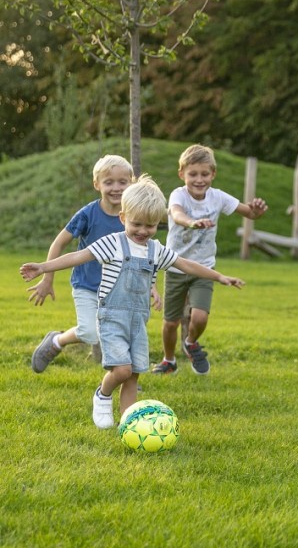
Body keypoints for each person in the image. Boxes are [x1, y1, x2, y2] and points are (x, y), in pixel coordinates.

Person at [20, 176, 245, 429]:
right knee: (122, 370)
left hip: (138, 321)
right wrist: (44, 267)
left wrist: (219, 276)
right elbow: (78, 256)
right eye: (136, 224)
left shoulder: (155, 250)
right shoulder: (112, 243)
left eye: (150, 226)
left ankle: (128, 423)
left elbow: (186, 265)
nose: (142, 231)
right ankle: (103, 394)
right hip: (112, 319)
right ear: (123, 218)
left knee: (134, 375)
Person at [26, 154, 161, 373]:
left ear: (131, 183)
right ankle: (57, 341)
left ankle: (124, 379)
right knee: (90, 332)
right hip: (87, 285)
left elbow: (143, 256)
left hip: (119, 290)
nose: (116, 188)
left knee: (123, 333)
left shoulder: (135, 218)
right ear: (97, 184)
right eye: (109, 182)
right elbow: (59, 243)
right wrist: (47, 279)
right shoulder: (88, 214)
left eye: (122, 182)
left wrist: (151, 286)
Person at [151, 144, 267, 376]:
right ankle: (169, 360)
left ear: (213, 174)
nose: (199, 179)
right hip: (176, 266)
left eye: (204, 174)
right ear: (182, 174)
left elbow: (248, 213)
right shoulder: (178, 195)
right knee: (171, 322)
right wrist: (192, 223)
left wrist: (256, 211)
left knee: (200, 316)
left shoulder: (218, 197)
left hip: (203, 269)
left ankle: (190, 342)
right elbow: (177, 214)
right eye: (193, 174)